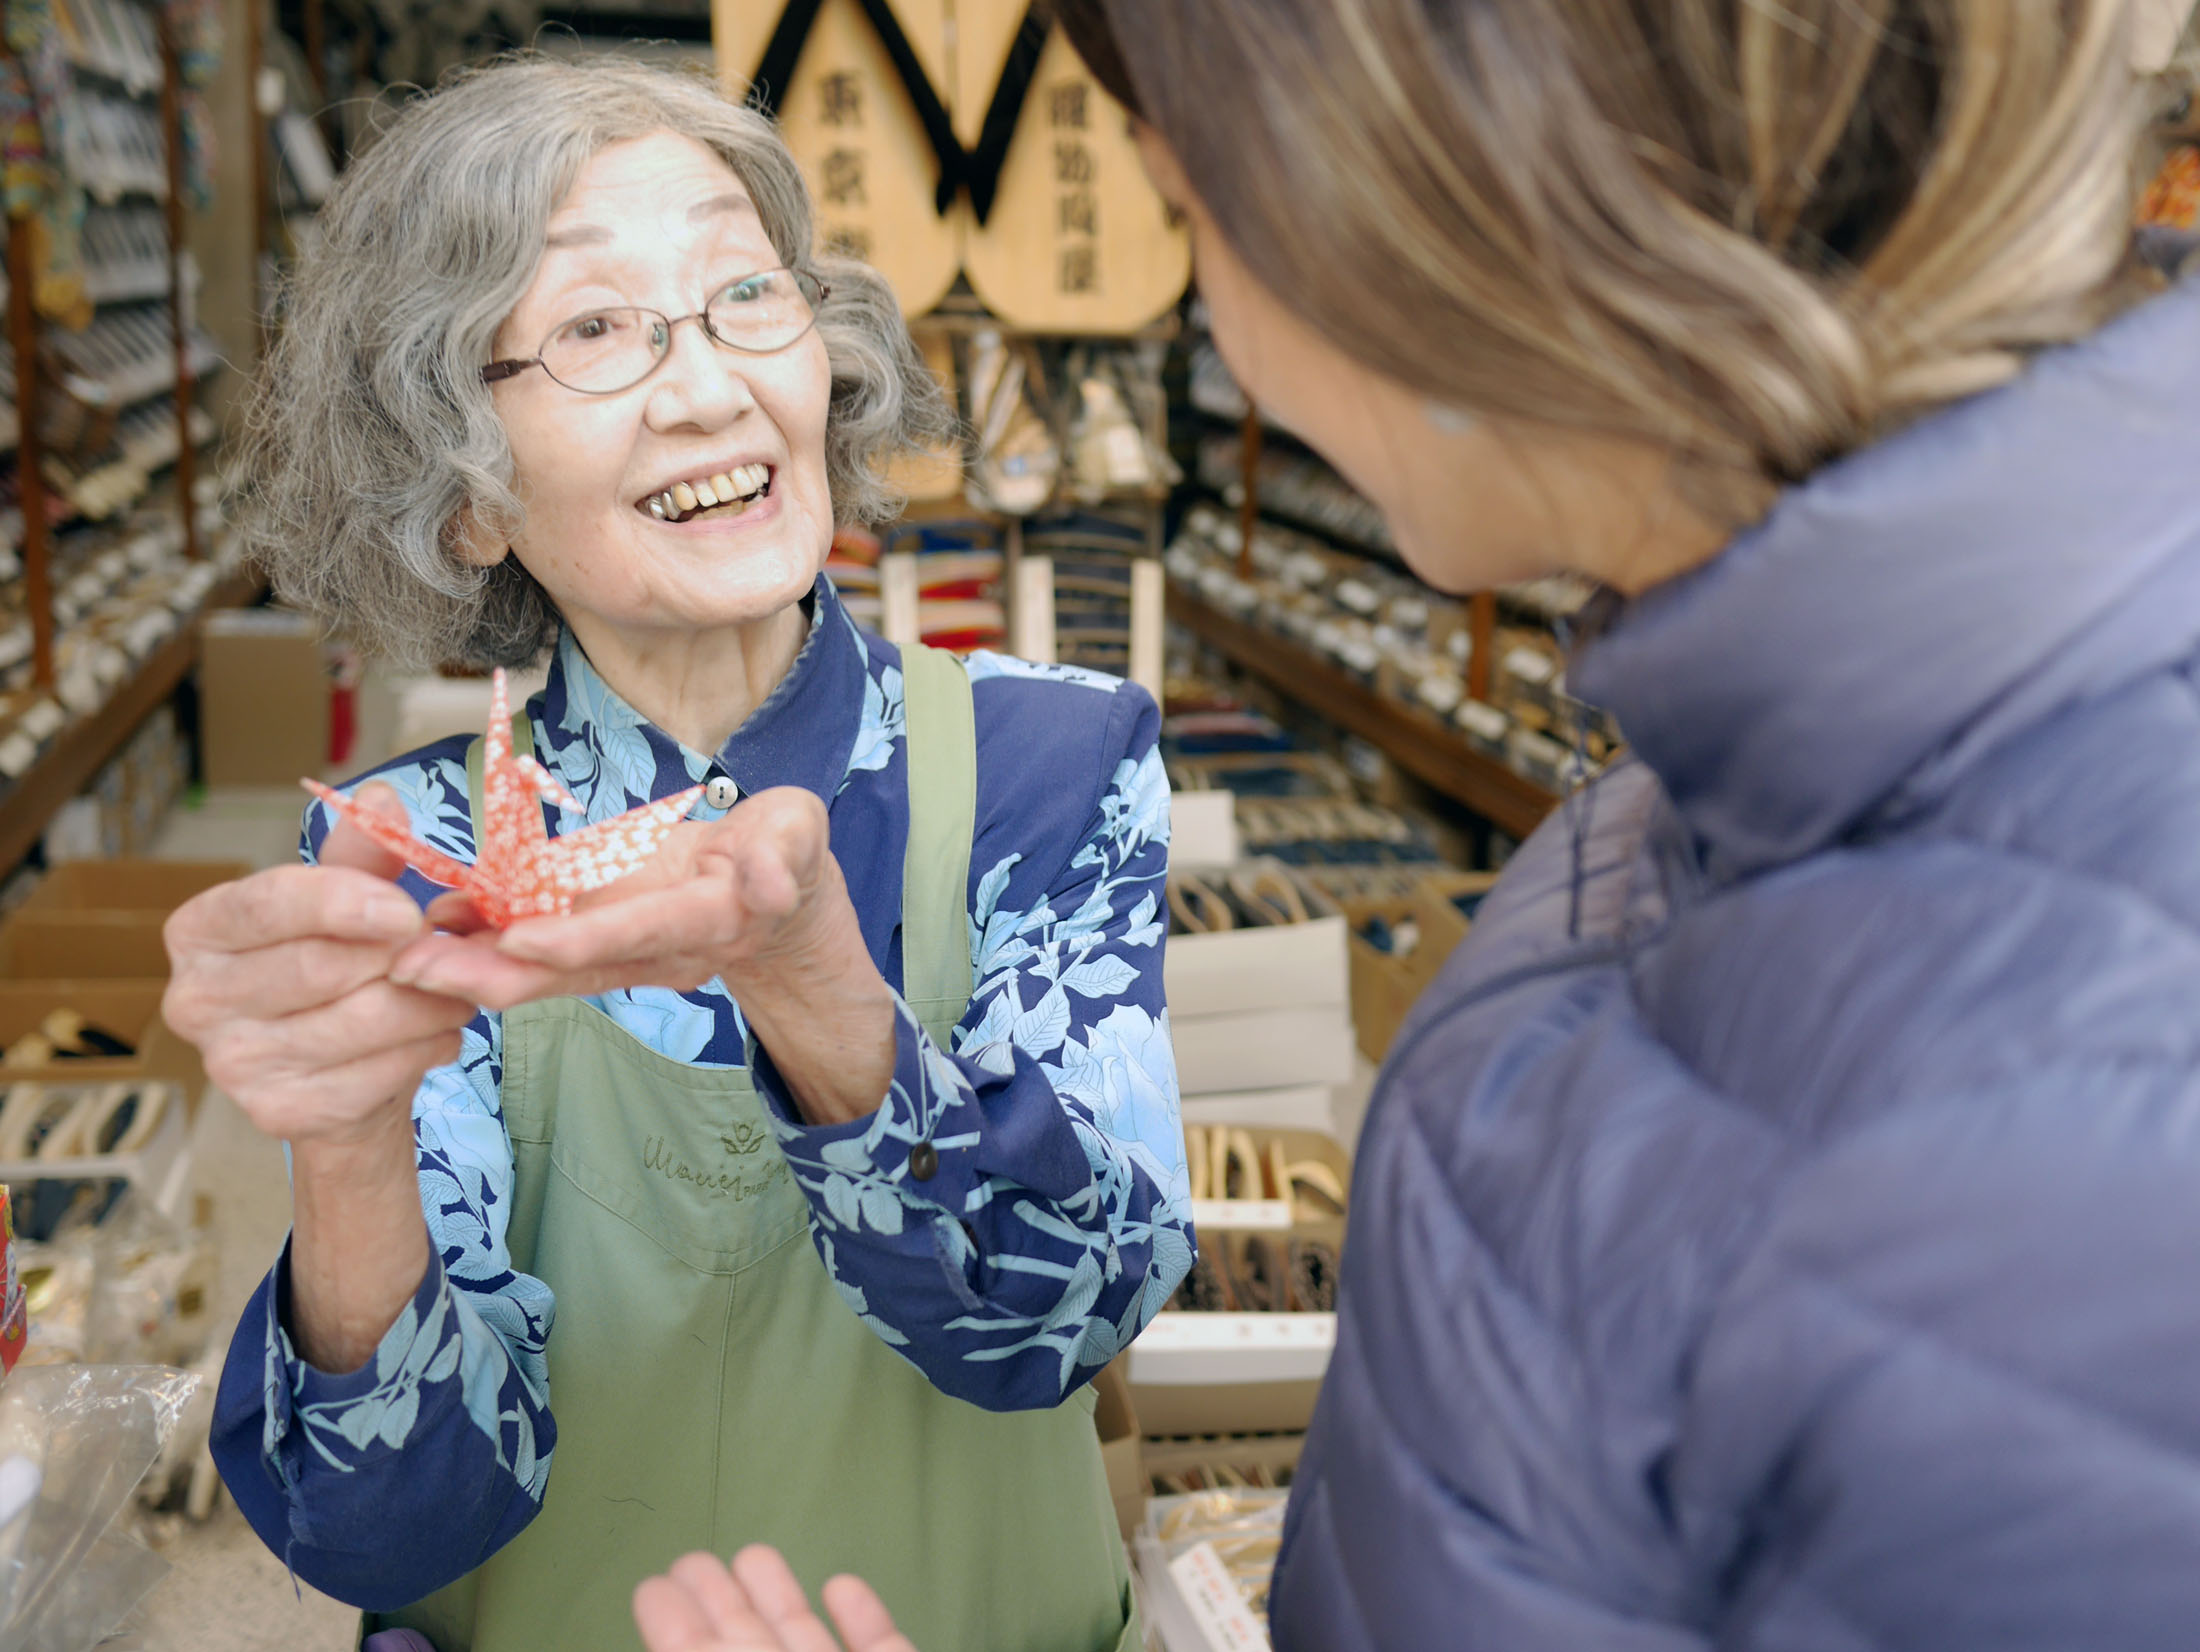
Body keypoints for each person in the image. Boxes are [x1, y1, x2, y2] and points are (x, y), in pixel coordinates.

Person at [631, 1, 2200, 1647]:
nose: (1230, 337)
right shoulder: (1702, 801)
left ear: (1419, 207)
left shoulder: (2077, 1120)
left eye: (1195, 216)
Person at [159, 53, 1188, 1652]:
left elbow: (1065, 1322)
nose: (707, 386)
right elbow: (386, 1527)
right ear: (466, 493)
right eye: (593, 327)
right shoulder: (417, 855)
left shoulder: (1050, 764)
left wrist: (818, 991)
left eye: (743, 296)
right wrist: (349, 1147)